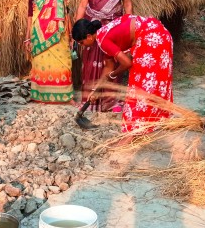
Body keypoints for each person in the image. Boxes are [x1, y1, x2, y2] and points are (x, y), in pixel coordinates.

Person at [72, 14, 173, 145]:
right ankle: (156, 122)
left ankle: (131, 134)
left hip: (152, 38)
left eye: (81, 42)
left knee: (139, 85)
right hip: (161, 34)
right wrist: (96, 90)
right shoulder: (104, 34)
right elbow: (108, 67)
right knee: (154, 83)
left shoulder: (103, 40)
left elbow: (126, 63)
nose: (83, 46)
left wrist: (114, 74)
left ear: (89, 36)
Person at [75, 0, 133, 112]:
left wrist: (127, 26)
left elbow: (127, 3)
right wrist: (78, 26)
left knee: (113, 62)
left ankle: (111, 101)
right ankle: (89, 99)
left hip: (113, 26)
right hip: (91, 27)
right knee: (91, 62)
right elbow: (82, 4)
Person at [24, 0, 73, 103]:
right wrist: (27, 38)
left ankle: (66, 97)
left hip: (59, 34)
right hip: (38, 36)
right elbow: (29, 17)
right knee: (41, 64)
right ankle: (41, 97)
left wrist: (70, 35)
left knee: (64, 63)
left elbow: (66, 14)